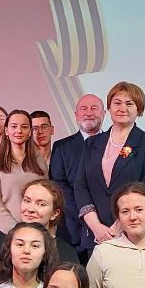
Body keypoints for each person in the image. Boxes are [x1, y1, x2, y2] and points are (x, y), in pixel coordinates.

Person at [76, 82, 145, 252]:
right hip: (95, 234)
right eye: (117, 103)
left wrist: (118, 227)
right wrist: (96, 226)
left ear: (139, 109)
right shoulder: (92, 143)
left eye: (129, 104)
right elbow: (80, 185)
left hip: (133, 233)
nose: (122, 108)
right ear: (109, 107)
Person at [49, 94, 106, 254]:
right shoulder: (62, 147)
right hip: (74, 230)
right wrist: (88, 217)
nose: (89, 113)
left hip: (109, 228)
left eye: (94, 108)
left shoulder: (115, 145)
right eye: (83, 109)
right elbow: (59, 186)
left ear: (104, 113)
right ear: (76, 114)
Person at [0, 109, 48, 232]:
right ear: (6, 131)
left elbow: (47, 197)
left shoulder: (39, 161)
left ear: (30, 132)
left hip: (37, 230)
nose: (19, 131)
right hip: (8, 232)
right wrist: (15, 229)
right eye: (14, 126)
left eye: (24, 127)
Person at [19, 179, 81, 264]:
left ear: (54, 213)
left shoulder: (65, 252)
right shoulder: (5, 244)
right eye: (27, 201)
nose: (30, 209)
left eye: (41, 204)